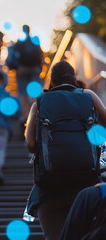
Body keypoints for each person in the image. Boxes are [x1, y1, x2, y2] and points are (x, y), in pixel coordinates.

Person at [25, 61, 106, 240]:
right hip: (86, 184)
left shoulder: (39, 102)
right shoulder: (89, 96)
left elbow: (30, 144)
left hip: (50, 188)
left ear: (52, 82)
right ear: (74, 78)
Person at [13, 25, 43, 123]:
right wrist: (40, 67)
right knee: (36, 92)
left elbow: (14, 56)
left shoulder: (19, 42)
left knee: (22, 93)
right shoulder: (34, 41)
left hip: (22, 69)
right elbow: (40, 54)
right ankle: (36, 113)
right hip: (34, 69)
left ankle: (25, 115)